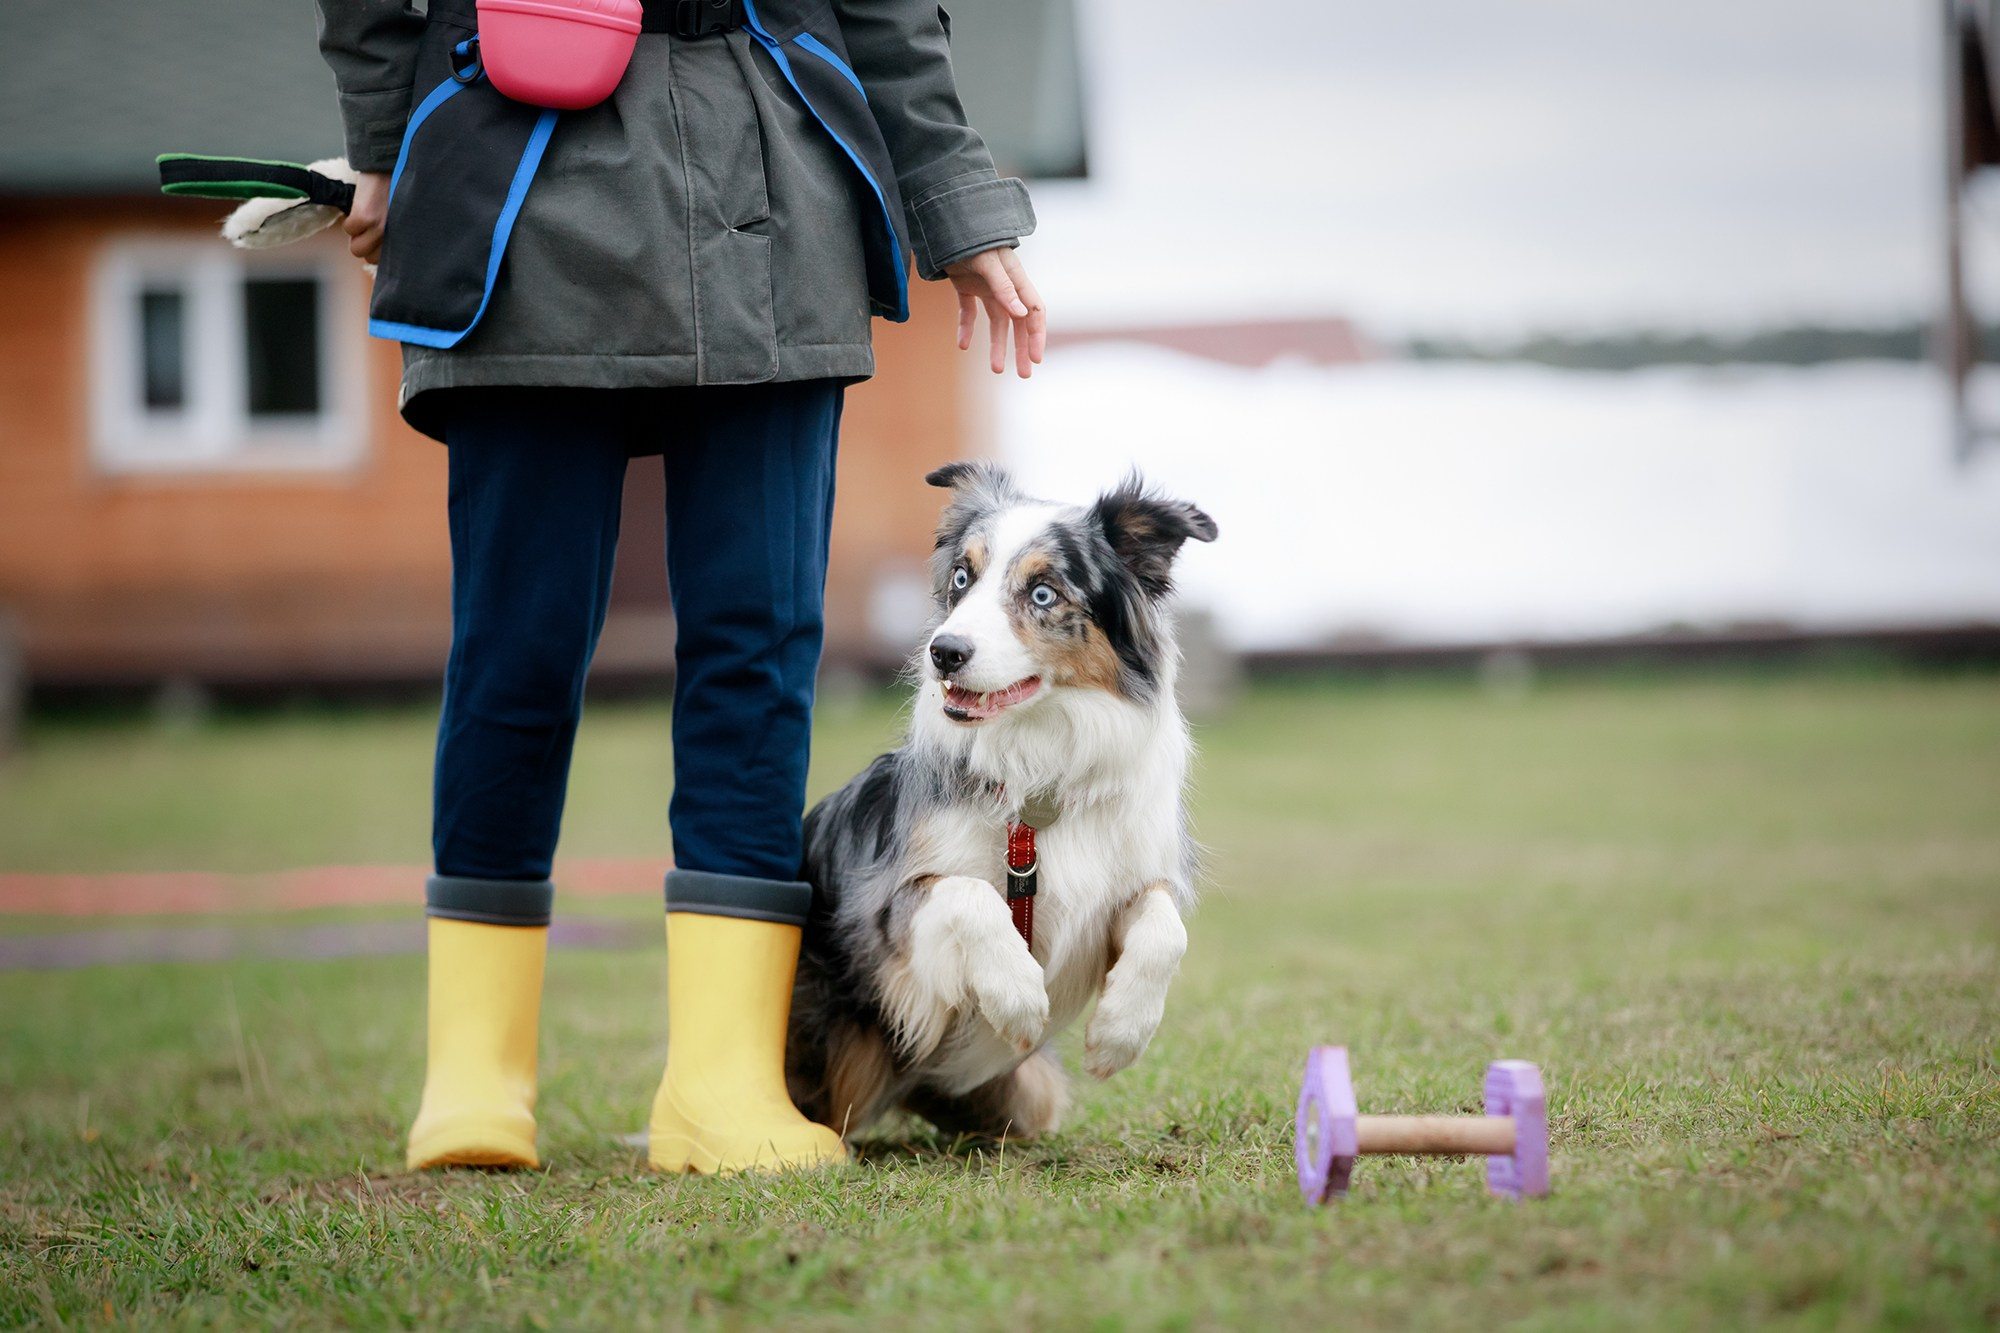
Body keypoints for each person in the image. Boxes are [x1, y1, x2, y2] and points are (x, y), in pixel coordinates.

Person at [312, 0, 1045, 1174]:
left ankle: (721, 1076)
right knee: (517, 650)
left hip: (771, 191)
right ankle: (474, 1072)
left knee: (757, 654)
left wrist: (955, 197)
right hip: (514, 186)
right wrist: (383, 138)